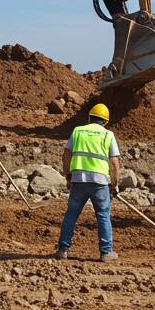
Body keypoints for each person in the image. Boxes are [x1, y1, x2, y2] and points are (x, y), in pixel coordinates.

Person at [54, 103, 121, 262]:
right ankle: (106, 252)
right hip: (100, 182)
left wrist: (68, 175)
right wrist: (115, 184)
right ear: (105, 121)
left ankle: (63, 250)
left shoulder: (77, 131)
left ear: (89, 118)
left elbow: (66, 155)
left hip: (78, 180)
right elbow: (115, 162)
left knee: (71, 214)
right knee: (103, 216)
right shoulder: (108, 135)